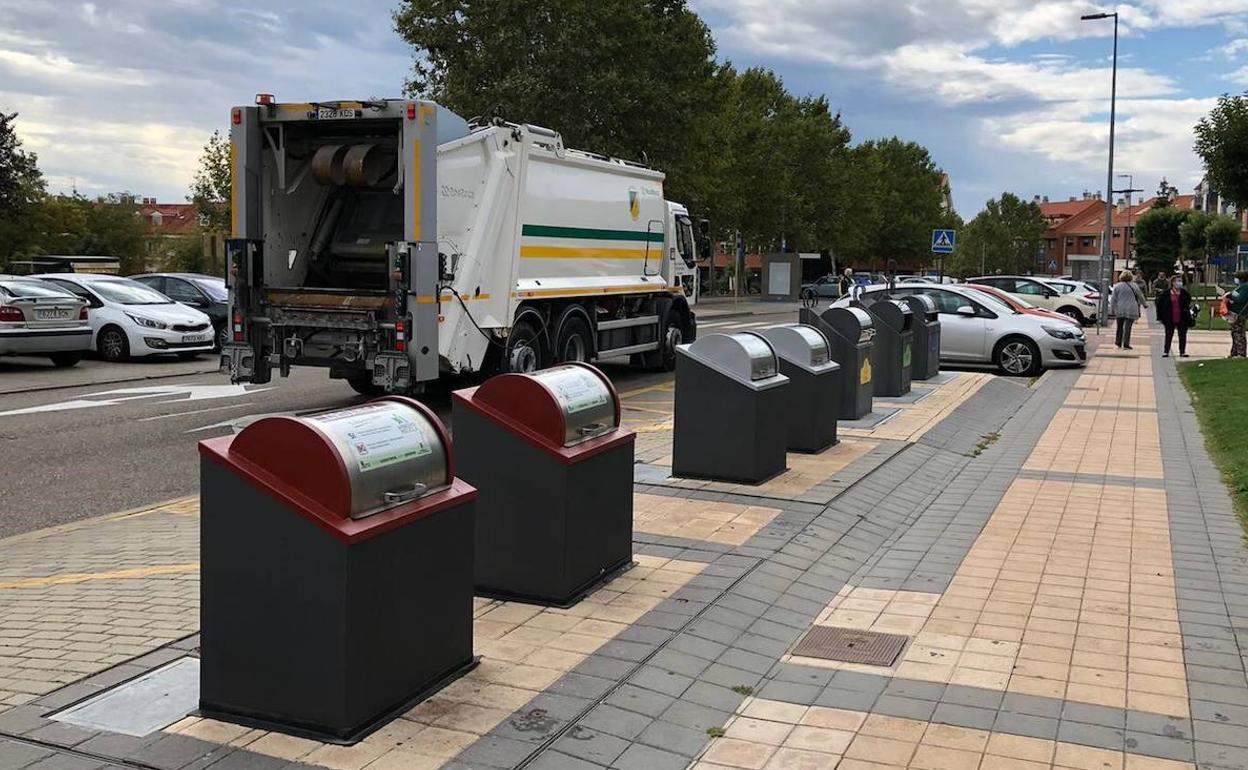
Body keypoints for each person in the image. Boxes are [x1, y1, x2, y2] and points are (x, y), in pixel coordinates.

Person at [1156, 275, 1194, 358]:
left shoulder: (1185, 293)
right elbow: (1159, 305)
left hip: (1182, 317)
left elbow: (1188, 304)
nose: (1179, 283)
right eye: (1177, 281)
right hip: (1169, 318)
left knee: (1182, 335)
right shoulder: (1166, 294)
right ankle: (1166, 351)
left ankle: (1182, 351)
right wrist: (1160, 317)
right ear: (1173, 282)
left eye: (1180, 281)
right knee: (1169, 335)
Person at [1110, 270, 1146, 349]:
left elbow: (1113, 298)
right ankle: (1126, 344)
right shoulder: (1134, 285)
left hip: (1120, 308)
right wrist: (1144, 304)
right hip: (1131, 308)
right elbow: (1140, 295)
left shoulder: (1117, 286)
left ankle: (1118, 342)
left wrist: (1112, 309)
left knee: (1119, 326)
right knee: (1128, 327)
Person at [1225, 270, 1248, 358]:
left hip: (1239, 313)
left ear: (1241, 279)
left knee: (1239, 333)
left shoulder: (1245, 287)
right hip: (1234, 313)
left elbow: (1240, 299)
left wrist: (1230, 296)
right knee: (1234, 333)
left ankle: (1241, 353)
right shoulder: (1241, 287)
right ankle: (1234, 352)